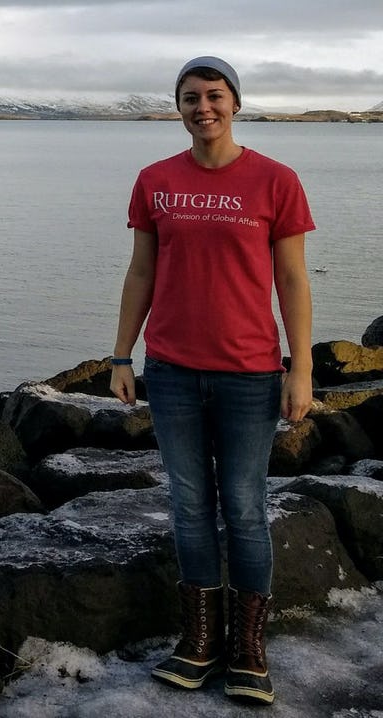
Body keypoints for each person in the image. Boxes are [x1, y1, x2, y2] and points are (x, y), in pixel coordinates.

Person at [110, 56, 315, 706]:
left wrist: (300, 366)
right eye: (191, 98)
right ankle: (200, 641)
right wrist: (121, 357)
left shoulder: (275, 181)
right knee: (191, 510)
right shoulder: (155, 181)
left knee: (246, 511)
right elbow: (141, 272)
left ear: (235, 103)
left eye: (215, 96)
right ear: (178, 107)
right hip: (170, 373)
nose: (204, 108)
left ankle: (247, 649)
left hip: (250, 374)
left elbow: (291, 279)